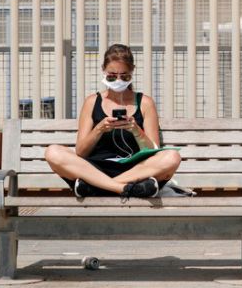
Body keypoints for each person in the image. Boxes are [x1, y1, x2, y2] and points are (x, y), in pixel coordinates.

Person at [45, 43, 181, 199]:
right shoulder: (92, 102)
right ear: (103, 70)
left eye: (124, 76)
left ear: (132, 72)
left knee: (172, 157)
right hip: (96, 168)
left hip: (135, 169)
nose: (118, 80)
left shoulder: (145, 102)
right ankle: (124, 188)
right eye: (112, 75)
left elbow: (153, 151)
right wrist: (99, 129)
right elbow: (81, 152)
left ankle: (97, 188)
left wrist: (137, 131)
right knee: (53, 151)